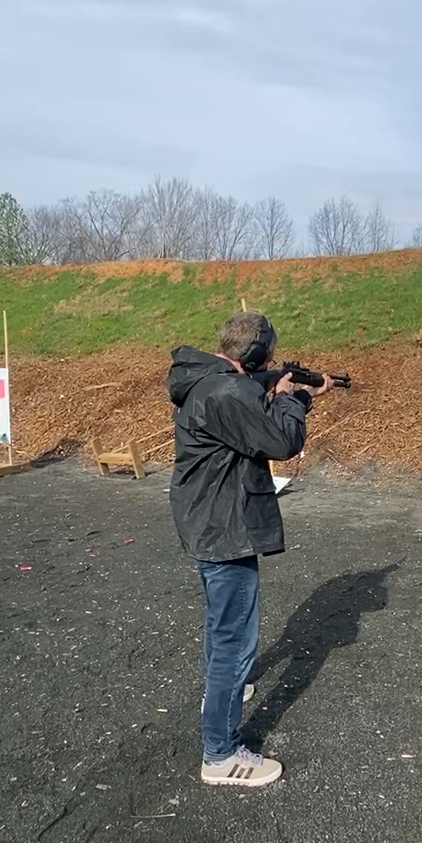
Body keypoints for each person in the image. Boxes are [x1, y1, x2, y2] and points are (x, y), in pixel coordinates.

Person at [168, 310, 333, 789]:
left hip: (207, 519)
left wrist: (284, 393)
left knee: (222, 628)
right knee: (234, 641)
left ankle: (219, 698)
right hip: (224, 526)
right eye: (271, 355)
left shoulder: (206, 382)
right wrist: (295, 397)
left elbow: (249, 428)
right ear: (258, 354)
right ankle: (219, 755)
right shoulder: (228, 390)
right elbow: (282, 440)